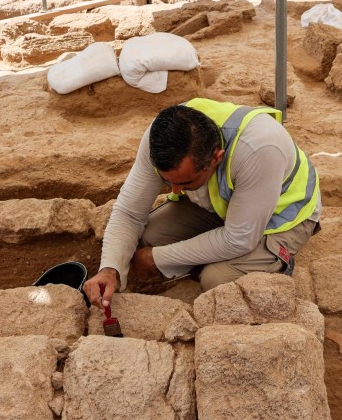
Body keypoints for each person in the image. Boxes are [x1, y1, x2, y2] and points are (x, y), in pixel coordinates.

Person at [83, 98, 321, 308]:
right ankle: (202, 256)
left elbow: (238, 239)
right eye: (168, 182)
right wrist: (110, 269)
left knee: (216, 279)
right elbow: (129, 212)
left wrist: (158, 258)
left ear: (216, 158)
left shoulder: (260, 148)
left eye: (186, 182)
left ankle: (277, 261)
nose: (174, 191)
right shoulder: (162, 137)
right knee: (148, 237)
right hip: (224, 206)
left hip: (282, 217)